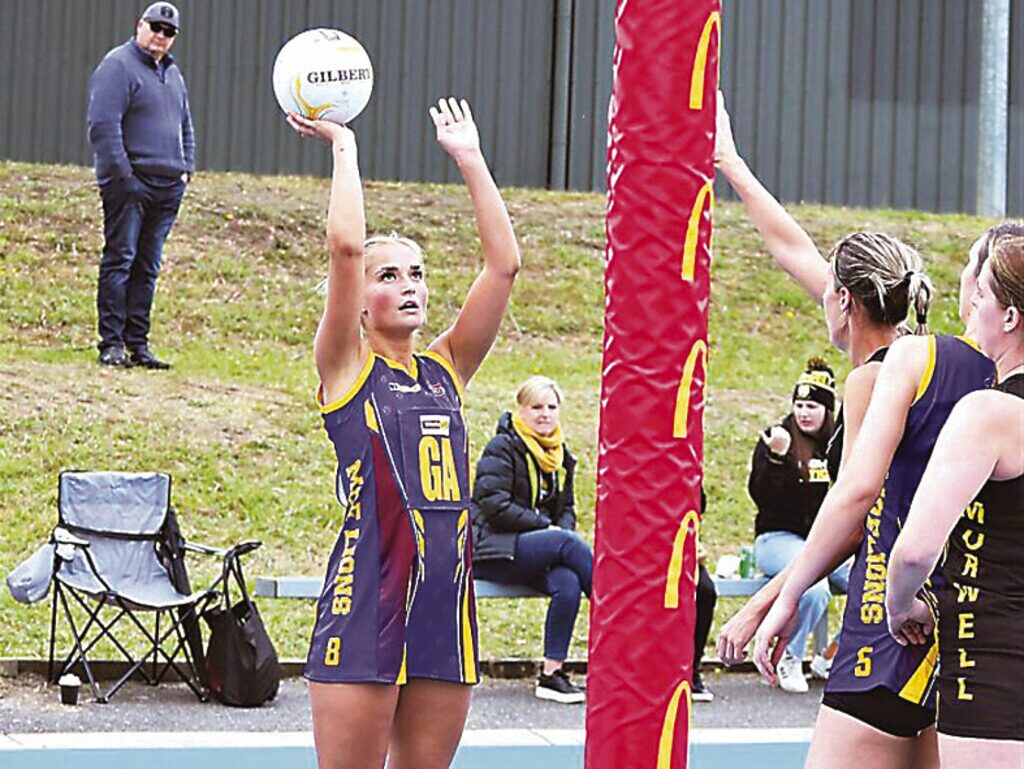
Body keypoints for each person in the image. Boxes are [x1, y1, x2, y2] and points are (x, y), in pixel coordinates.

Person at [713, 96, 993, 768]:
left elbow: (857, 507)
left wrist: (768, 602)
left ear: (844, 301)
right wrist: (730, 162)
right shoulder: (937, 358)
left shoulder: (873, 379)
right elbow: (794, 250)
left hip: (886, 623)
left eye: (828, 292)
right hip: (951, 616)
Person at [288, 98, 520, 769]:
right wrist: (344, 146)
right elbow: (345, 248)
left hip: (445, 600)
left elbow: (503, 267)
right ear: (359, 303)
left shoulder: (447, 367)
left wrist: (470, 159)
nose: (409, 285)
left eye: (416, 273)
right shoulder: (347, 368)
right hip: (368, 594)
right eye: (388, 276)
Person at [887, 228, 1024, 769]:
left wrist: (901, 605)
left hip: (994, 665)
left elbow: (915, 551)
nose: (970, 305)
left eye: (981, 294)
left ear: (1009, 316)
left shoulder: (988, 413)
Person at [471, 375, 593, 704]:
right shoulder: (502, 447)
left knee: (567, 582)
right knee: (567, 544)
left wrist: (557, 530)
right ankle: (623, 624)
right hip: (492, 548)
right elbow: (494, 505)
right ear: (521, 410)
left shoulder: (559, 456)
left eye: (551, 407)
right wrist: (547, 529)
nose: (544, 414)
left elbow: (566, 508)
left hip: (533, 550)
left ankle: (551, 675)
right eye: (536, 407)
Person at [87, 1, 193, 370]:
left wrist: (186, 168)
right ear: (140, 25)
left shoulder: (173, 74)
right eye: (155, 27)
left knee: (148, 266)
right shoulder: (117, 66)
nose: (161, 36)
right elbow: (103, 126)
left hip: (168, 185)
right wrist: (124, 176)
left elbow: (185, 124)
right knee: (121, 259)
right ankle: (111, 343)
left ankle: (138, 344)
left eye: (169, 32)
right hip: (131, 183)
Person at [747, 358, 848, 693]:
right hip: (776, 539)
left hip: (823, 540)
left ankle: (832, 655)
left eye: (812, 406)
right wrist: (776, 458)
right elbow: (761, 496)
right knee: (814, 587)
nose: (804, 413)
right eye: (799, 405)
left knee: (873, 580)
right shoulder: (778, 437)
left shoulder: (836, 443)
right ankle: (788, 656)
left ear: (827, 410)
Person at [692, 486, 718, 702]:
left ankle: (692, 667)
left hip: (681, 541)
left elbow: (698, 503)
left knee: (705, 591)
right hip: (644, 543)